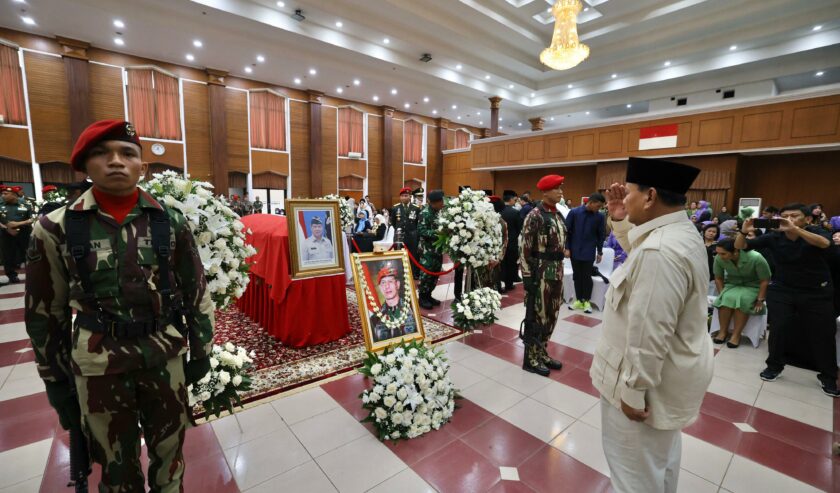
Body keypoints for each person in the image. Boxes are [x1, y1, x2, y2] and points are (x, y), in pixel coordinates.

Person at [24, 119, 214, 492]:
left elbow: (196, 292)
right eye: (102, 153)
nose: (116, 161)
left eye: (127, 153)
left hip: (164, 356)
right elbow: (46, 313)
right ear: (84, 165)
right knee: (115, 465)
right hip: (99, 366)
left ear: (142, 166)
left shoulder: (170, 222)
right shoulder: (55, 228)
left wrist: (202, 351)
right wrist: (55, 380)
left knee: (170, 454)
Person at [592, 157, 713, 493]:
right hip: (669, 378)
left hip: (644, 390)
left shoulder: (660, 251)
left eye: (629, 192)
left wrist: (633, 391)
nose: (623, 198)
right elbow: (640, 248)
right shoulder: (677, 232)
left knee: (634, 477)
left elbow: (649, 332)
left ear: (650, 196)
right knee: (659, 465)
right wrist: (619, 218)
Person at [735, 203, 837, 396]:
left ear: (807, 219)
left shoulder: (816, 232)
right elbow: (742, 247)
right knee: (779, 328)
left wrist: (796, 230)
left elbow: (824, 244)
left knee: (823, 334)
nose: (788, 219)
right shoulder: (775, 236)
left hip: (817, 292)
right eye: (784, 216)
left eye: (794, 216)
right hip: (783, 289)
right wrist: (743, 231)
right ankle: (774, 366)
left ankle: (828, 376)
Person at [519, 174, 568, 377]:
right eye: (557, 189)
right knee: (537, 317)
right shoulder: (535, 215)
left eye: (561, 188)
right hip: (539, 273)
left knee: (552, 316)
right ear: (545, 191)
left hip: (556, 271)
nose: (561, 192)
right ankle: (531, 358)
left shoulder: (557, 215)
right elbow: (524, 249)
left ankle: (542, 351)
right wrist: (528, 278)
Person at [711, 238, 771, 348]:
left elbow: (765, 280)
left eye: (723, 253)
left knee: (743, 299)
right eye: (718, 253)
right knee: (726, 299)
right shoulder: (719, 258)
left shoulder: (755, 257)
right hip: (732, 285)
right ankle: (723, 332)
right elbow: (718, 278)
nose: (719, 256)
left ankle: (736, 335)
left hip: (753, 286)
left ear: (735, 251)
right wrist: (722, 293)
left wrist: (760, 300)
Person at [564, 192, 607, 313]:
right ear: (591, 202)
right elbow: (567, 231)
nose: (599, 209)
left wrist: (600, 252)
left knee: (587, 277)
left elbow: (601, 235)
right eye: (598, 206)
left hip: (589, 251)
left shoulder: (599, 217)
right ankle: (578, 300)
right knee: (577, 276)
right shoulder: (574, 212)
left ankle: (586, 301)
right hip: (574, 250)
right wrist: (567, 247)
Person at [369, 263, 417, 342]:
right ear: (380, 288)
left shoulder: (412, 309)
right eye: (383, 283)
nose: (387, 286)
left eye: (390, 281)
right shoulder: (375, 318)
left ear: (397, 285)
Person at [0, 185, 34, 284]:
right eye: (2, 193)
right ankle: (12, 276)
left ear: (14, 195)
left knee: (28, 254)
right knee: (8, 255)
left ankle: (31, 273)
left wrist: (17, 224)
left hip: (24, 233)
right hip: (6, 233)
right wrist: (7, 228)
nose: (3, 195)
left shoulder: (26, 204)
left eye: (6, 194)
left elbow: (31, 219)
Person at [417, 190, 445, 309]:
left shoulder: (438, 212)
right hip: (427, 250)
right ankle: (422, 297)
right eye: (441, 201)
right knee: (427, 274)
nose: (443, 203)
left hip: (437, 249)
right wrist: (438, 233)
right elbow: (422, 231)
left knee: (435, 272)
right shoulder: (425, 213)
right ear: (434, 203)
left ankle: (429, 295)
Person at [391, 187, 422, 276]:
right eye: (403, 196)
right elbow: (393, 222)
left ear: (410, 197)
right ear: (400, 197)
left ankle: (412, 274)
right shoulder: (395, 208)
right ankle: (400, 274)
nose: (405, 197)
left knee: (413, 255)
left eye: (406, 195)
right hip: (399, 236)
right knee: (399, 255)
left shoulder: (416, 208)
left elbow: (417, 223)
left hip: (412, 236)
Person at [500, 190, 522, 292]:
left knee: (501, 263)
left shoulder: (498, 211)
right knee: (511, 263)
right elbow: (519, 228)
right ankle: (509, 284)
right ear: (511, 199)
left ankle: (498, 283)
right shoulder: (515, 212)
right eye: (514, 199)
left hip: (499, 242)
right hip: (512, 242)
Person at [702, 223, 720, 295]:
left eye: (714, 232)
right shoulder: (698, 244)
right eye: (709, 231)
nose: (711, 233)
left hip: (712, 276)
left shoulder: (718, 246)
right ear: (704, 232)